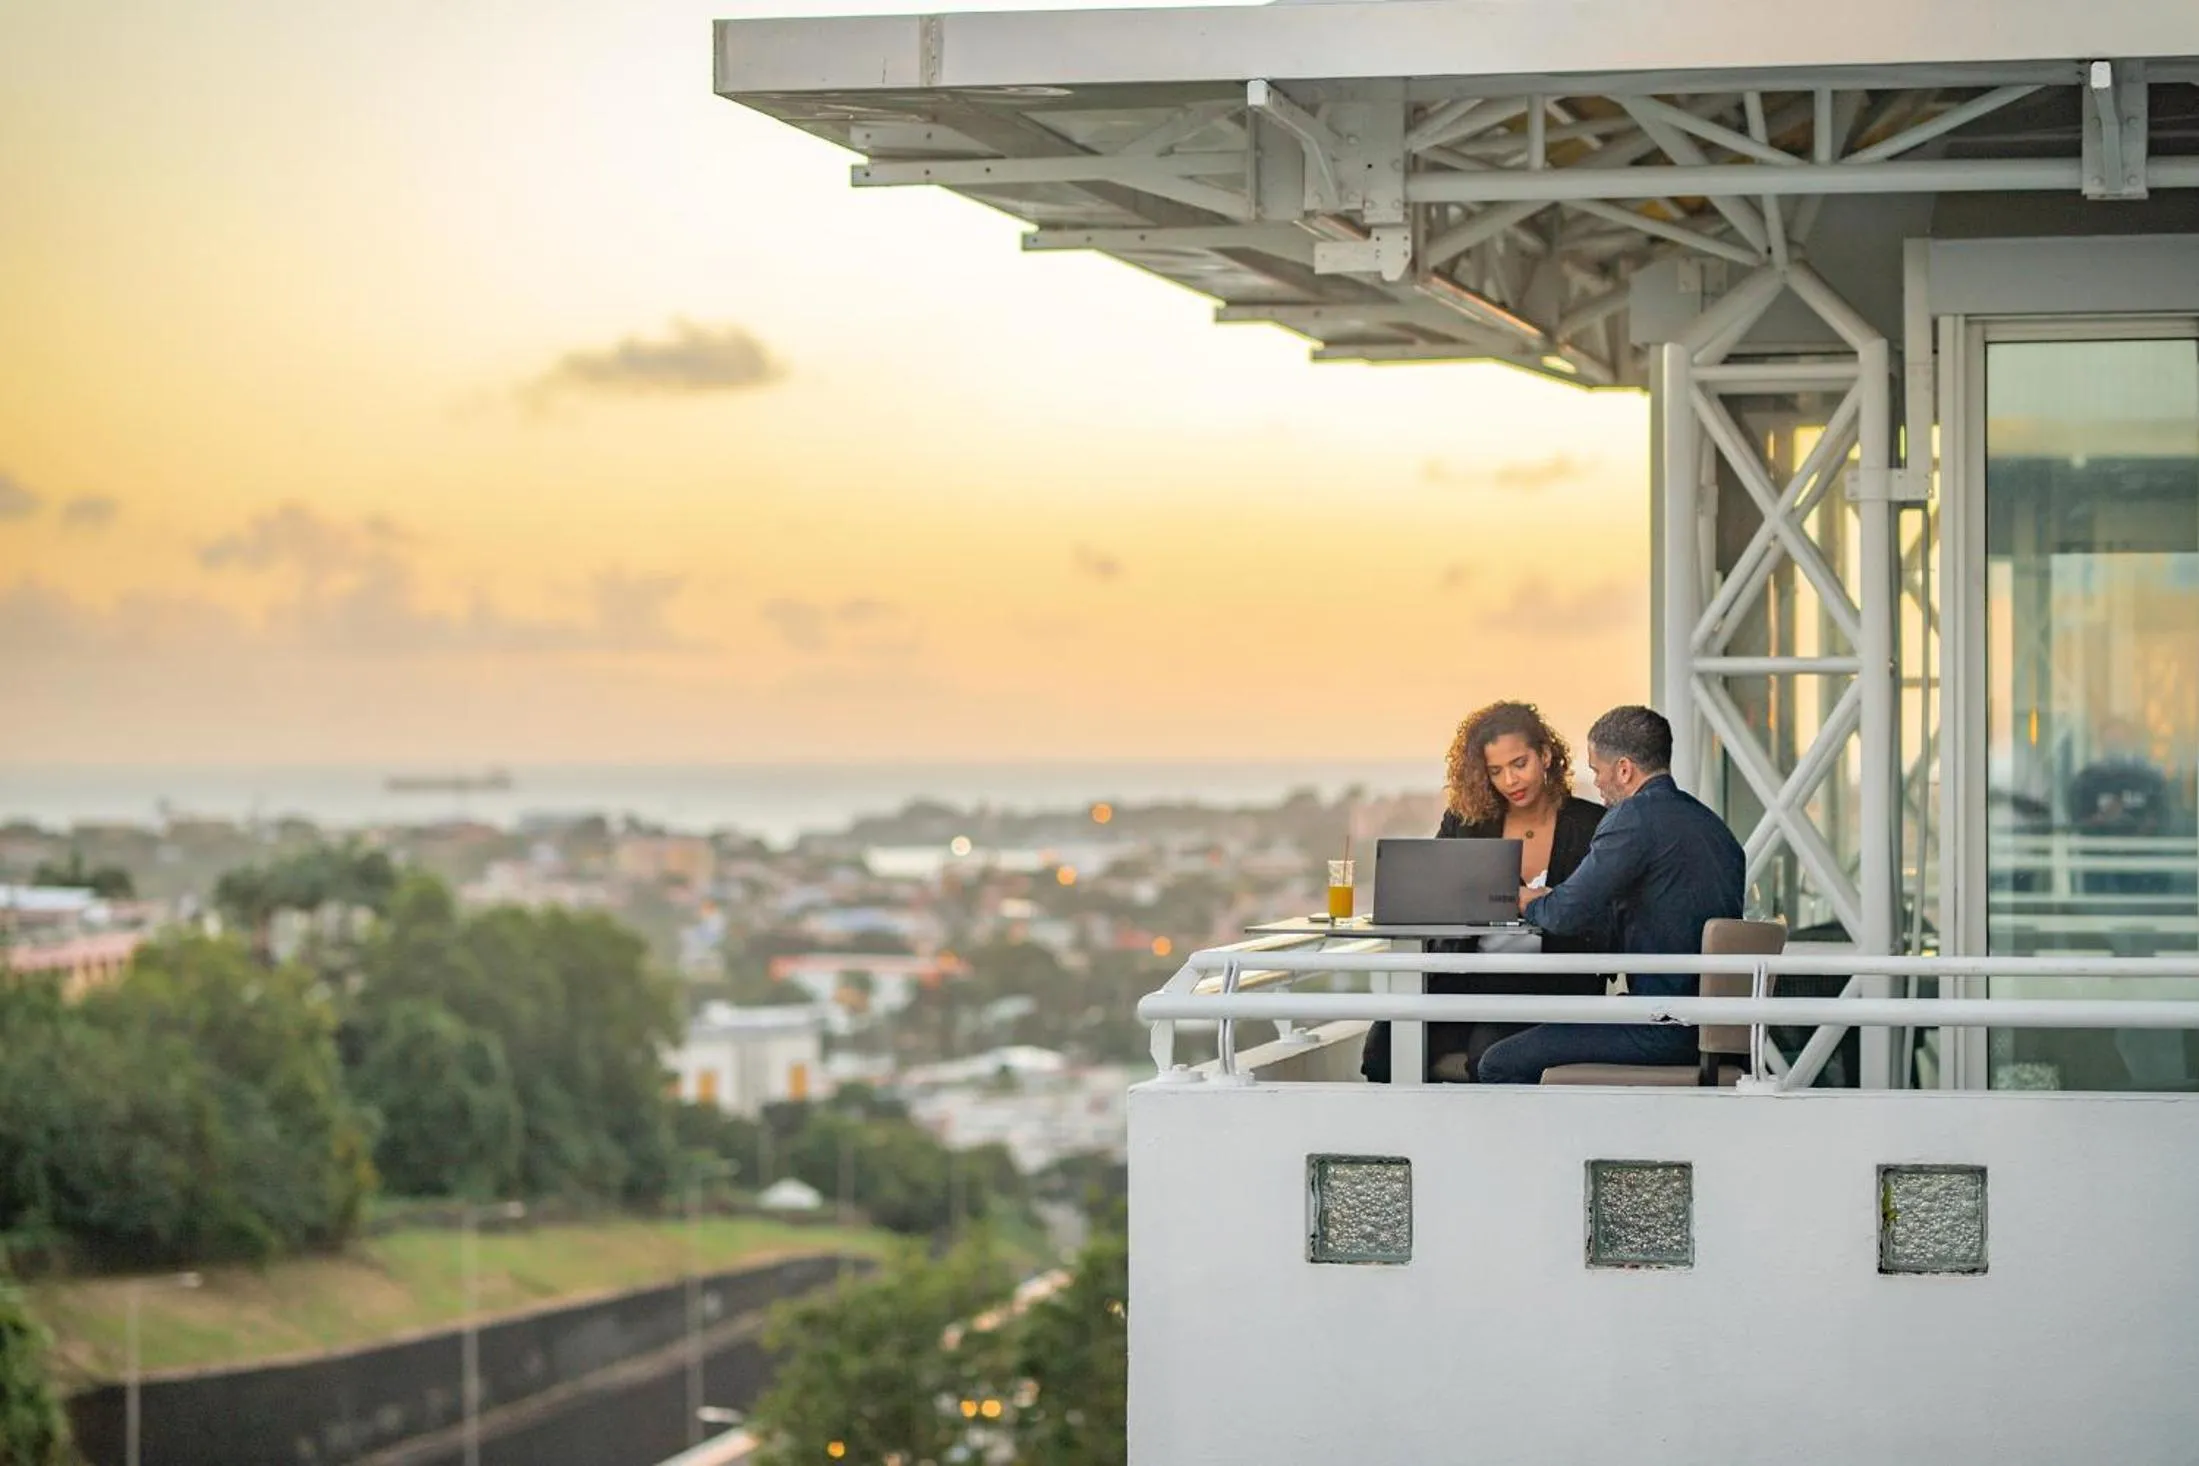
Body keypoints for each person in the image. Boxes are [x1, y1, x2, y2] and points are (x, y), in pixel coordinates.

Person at [1475, 704, 1744, 1086]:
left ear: (1624, 769)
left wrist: (1527, 900)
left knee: (1498, 1062)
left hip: (1662, 1025)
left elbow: (1563, 914)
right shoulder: (1714, 828)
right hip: (1713, 1028)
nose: (1597, 783)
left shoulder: (1632, 818)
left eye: (1597, 770)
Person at [1361, 701, 1609, 1084]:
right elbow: (1432, 890)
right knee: (1382, 1049)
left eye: (1519, 763)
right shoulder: (1467, 822)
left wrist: (1552, 903)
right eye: (1496, 771)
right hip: (1466, 976)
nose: (1510, 780)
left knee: (1488, 1056)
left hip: (1548, 983)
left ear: (1545, 755)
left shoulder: (1593, 825)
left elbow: (1605, 913)